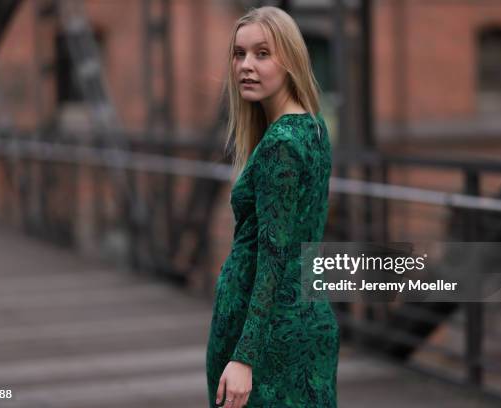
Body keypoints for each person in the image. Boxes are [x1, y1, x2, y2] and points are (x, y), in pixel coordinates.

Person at [206, 6, 340, 408]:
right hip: (307, 318)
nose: (247, 65)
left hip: (266, 334)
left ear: (291, 61)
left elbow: (274, 254)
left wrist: (244, 357)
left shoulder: (281, 143)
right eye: (239, 54)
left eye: (263, 54)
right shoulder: (314, 128)